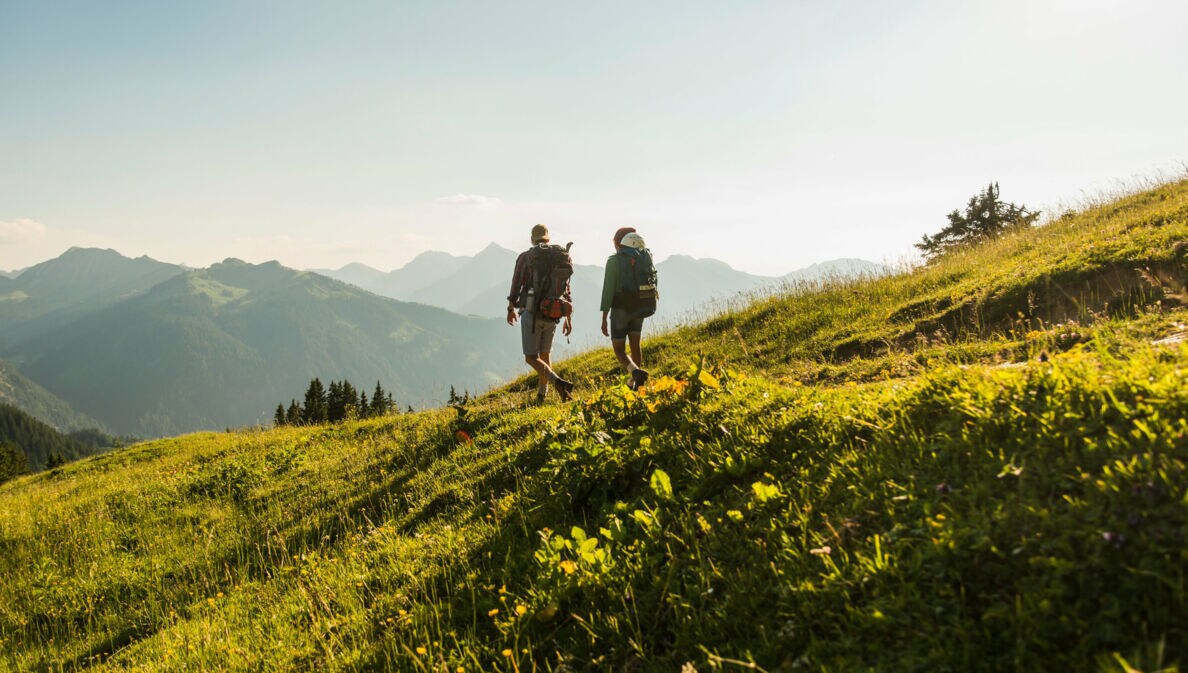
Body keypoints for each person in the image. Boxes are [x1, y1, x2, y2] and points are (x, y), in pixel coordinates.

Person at [507, 224, 576, 402]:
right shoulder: (560, 257)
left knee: (531, 358)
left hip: (531, 312)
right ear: (548, 239)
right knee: (545, 355)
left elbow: (516, 284)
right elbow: (566, 289)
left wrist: (511, 308)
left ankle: (557, 382)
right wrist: (568, 318)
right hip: (553, 312)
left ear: (532, 239)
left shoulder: (526, 257)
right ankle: (542, 394)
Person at [600, 227, 656, 390]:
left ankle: (635, 372)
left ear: (618, 242)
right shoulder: (644, 257)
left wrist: (604, 317)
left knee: (619, 349)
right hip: (641, 305)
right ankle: (635, 384)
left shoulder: (614, 261)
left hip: (621, 309)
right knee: (635, 345)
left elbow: (608, 290)